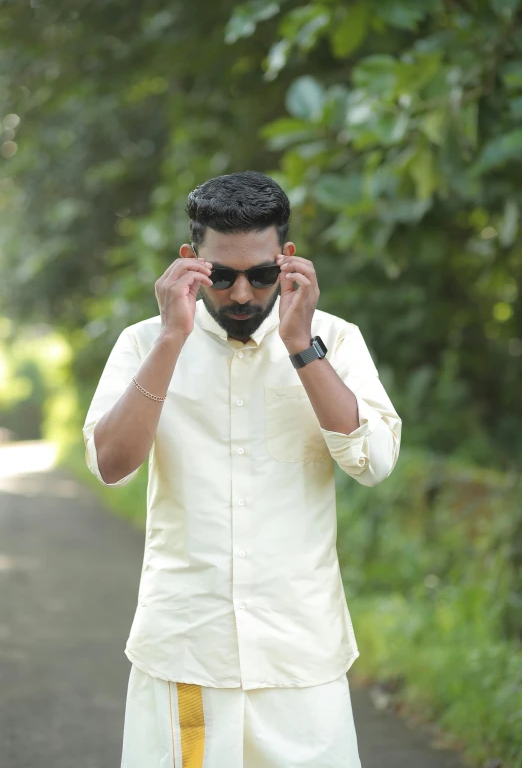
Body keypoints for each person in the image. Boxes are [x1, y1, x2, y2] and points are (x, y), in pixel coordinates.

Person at [83, 170, 402, 768]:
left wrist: (302, 345)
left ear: (286, 260)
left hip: (300, 658)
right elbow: (110, 465)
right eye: (221, 275)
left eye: (259, 276)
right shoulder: (143, 343)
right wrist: (172, 341)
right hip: (186, 655)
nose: (240, 295)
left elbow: (374, 463)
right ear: (190, 260)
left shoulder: (334, 339)